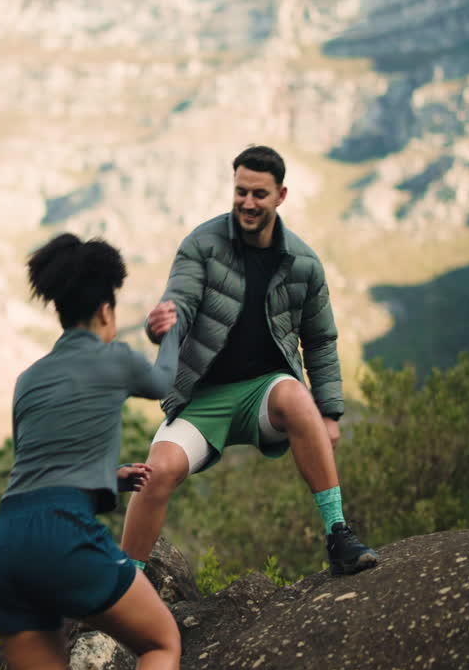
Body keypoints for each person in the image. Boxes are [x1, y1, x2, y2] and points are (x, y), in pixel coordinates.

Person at [120, 145, 380, 577]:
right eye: (241, 191)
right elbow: (178, 304)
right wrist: (160, 327)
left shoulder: (303, 263)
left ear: (281, 195)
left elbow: (320, 341)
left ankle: (338, 535)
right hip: (202, 398)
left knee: (298, 397)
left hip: (265, 393)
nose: (247, 202)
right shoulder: (201, 245)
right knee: (157, 473)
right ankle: (124, 584)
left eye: (259, 194)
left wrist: (330, 413)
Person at [0, 233, 182, 670]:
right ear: (107, 312)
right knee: (160, 643)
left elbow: (37, 467)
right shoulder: (115, 358)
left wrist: (109, 478)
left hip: (3, 547)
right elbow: (167, 381)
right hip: (62, 535)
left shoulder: (27, 380)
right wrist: (167, 337)